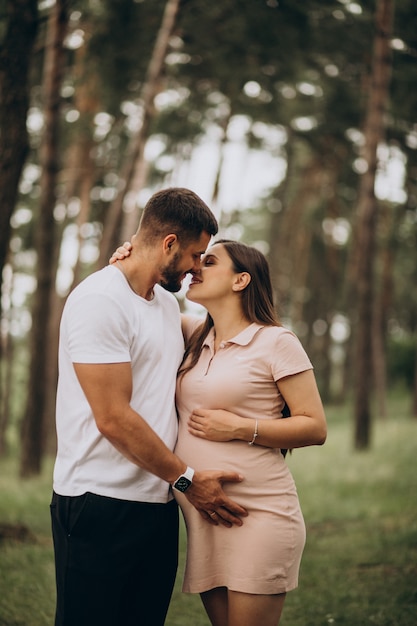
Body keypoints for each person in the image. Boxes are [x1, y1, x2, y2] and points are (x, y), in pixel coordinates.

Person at [51, 188, 248, 626]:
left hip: (157, 502)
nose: (198, 267)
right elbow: (113, 418)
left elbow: (228, 334)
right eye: (197, 255)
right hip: (98, 501)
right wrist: (188, 480)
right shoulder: (99, 301)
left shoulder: (163, 303)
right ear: (169, 244)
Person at [112, 237, 327, 626]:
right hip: (206, 516)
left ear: (240, 280)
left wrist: (242, 427)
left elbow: (314, 426)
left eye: (209, 262)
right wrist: (128, 261)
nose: (196, 268)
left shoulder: (276, 341)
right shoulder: (194, 335)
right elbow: (139, 300)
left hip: (259, 512)